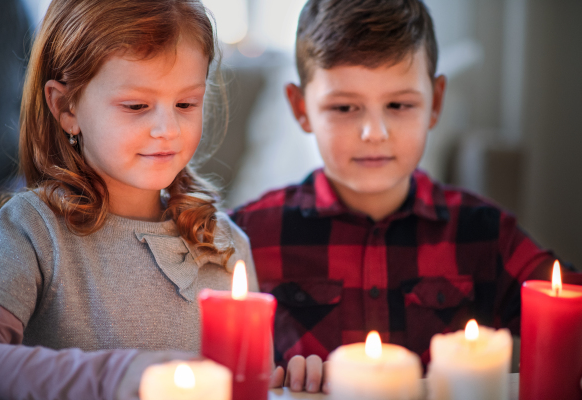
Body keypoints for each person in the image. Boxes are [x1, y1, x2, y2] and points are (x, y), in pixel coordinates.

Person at [0, 0, 321, 398]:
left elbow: (240, 383)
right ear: (66, 106)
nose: (167, 129)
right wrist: (119, 374)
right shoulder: (33, 228)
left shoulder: (225, 244)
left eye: (185, 104)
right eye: (137, 106)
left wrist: (285, 378)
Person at [230, 0, 580, 381]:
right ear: (301, 109)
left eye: (399, 104)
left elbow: (566, 311)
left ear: (436, 102)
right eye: (345, 108)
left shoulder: (483, 233)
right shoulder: (249, 236)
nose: (375, 133)